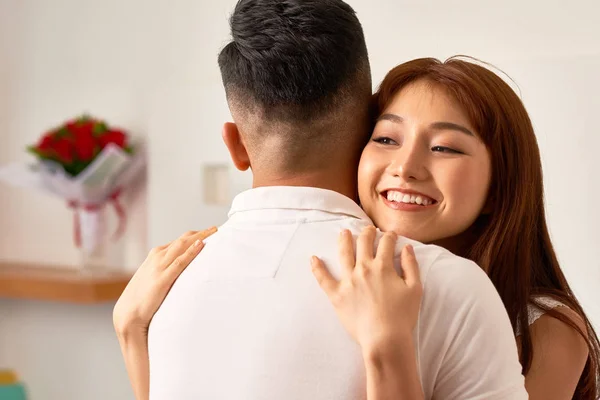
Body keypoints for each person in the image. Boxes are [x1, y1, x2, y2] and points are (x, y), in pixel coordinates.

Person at [113, 1, 528, 400]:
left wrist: (132, 333)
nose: (406, 166)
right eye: (388, 138)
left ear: (236, 146)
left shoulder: (163, 291)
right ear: (367, 131)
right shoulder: (447, 287)